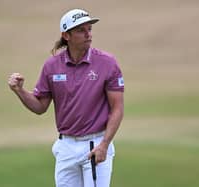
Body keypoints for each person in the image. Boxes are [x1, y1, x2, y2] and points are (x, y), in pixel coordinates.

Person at [8, 8, 124, 187]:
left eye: (89, 29)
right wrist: (20, 91)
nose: (88, 34)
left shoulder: (107, 63)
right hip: (65, 147)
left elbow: (117, 108)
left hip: (96, 144)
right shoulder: (52, 66)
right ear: (66, 35)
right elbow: (40, 107)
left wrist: (105, 144)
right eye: (81, 30)